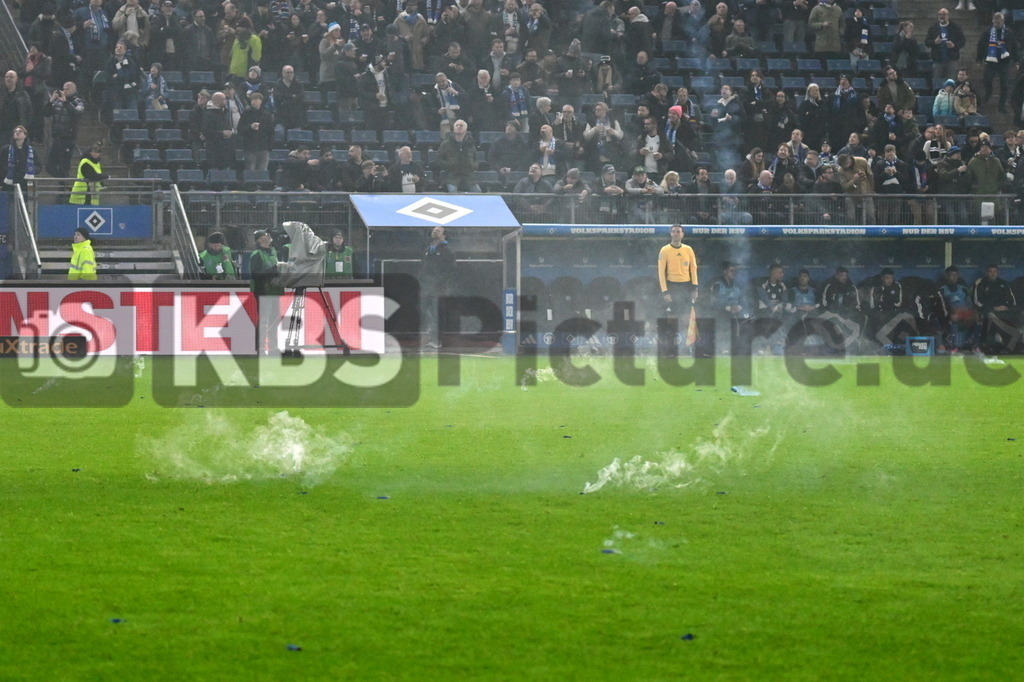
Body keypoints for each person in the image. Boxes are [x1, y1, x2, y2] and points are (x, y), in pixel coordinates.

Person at [657, 224, 698, 349]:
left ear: (682, 234)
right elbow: (661, 272)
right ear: (670, 234)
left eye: (678, 231)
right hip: (672, 287)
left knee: (686, 318)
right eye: (673, 231)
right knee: (672, 318)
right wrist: (665, 292)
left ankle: (686, 346)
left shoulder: (688, 249)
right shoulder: (664, 250)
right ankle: (671, 346)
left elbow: (693, 269)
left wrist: (695, 288)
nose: (676, 233)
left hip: (686, 287)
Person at [249, 229, 284, 355]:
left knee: (274, 320)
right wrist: (274, 269)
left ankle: (273, 347)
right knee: (264, 321)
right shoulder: (256, 254)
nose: (268, 235)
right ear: (259, 240)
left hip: (275, 290)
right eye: (264, 234)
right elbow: (256, 275)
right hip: (263, 291)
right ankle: (261, 348)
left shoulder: (273, 252)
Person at [976, 12, 1018, 114]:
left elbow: (1014, 47)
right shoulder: (987, 32)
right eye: (995, 22)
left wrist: (1016, 61)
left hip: (1004, 62)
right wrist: (979, 59)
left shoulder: (1008, 32)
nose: (996, 24)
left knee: (1005, 85)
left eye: (998, 22)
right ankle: (987, 95)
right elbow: (980, 46)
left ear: (1002, 21)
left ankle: (1001, 105)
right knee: (987, 80)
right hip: (991, 61)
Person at [421, 225, 455, 349]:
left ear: (444, 235)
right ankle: (431, 334)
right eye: (434, 230)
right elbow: (423, 266)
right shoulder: (427, 249)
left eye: (439, 230)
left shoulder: (447, 250)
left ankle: (437, 339)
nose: (435, 231)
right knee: (423, 309)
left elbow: (450, 270)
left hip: (438, 287)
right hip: (426, 285)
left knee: (437, 312)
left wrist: (440, 282)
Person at [973, 264, 1021, 352]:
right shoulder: (980, 283)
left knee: (1018, 317)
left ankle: (1012, 345)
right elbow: (977, 302)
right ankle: (991, 346)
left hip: (1004, 313)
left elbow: (1012, 301)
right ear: (986, 273)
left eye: (995, 271)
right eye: (990, 271)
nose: (993, 274)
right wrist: (994, 308)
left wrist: (1005, 307)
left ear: (998, 272)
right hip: (988, 312)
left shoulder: (1003, 283)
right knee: (991, 316)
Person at [867, 268, 917, 347]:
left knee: (909, 317)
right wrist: (886, 304)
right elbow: (873, 305)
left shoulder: (897, 285)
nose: (890, 280)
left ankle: (901, 343)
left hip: (894, 313)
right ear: (882, 278)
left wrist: (884, 302)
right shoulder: (876, 287)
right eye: (887, 278)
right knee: (879, 321)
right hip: (881, 314)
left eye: (891, 277)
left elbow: (898, 303)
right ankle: (884, 345)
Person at [43, 81, 84, 178]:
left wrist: (65, 102)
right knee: (49, 166)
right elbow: (46, 113)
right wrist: (51, 101)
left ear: (73, 90)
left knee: (64, 166)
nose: (64, 91)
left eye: (67, 89)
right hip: (56, 137)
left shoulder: (78, 101)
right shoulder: (58, 102)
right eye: (64, 89)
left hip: (68, 138)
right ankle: (63, 182)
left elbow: (77, 113)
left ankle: (64, 185)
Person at [436, 119, 481, 192]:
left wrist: (473, 166)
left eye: (461, 125)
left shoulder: (470, 144)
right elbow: (438, 159)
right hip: (452, 176)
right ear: (454, 129)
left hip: (468, 176)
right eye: (457, 125)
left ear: (465, 130)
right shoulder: (446, 144)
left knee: (478, 192)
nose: (459, 127)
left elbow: (476, 159)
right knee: (453, 192)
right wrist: (449, 165)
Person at [938, 265, 977, 350]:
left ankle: (974, 345)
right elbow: (940, 306)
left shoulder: (963, 289)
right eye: (951, 275)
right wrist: (951, 311)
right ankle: (953, 344)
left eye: (955, 275)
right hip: (949, 314)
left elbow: (970, 305)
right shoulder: (942, 290)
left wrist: (964, 310)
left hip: (963, 313)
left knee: (975, 316)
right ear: (947, 276)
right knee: (953, 317)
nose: (953, 277)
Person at [926, 8, 965, 82]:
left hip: (951, 60)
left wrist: (954, 45)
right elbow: (927, 42)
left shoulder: (955, 27)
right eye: (940, 15)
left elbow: (962, 41)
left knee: (951, 82)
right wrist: (934, 42)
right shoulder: (933, 28)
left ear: (948, 16)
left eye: (944, 15)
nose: (942, 16)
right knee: (936, 82)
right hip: (937, 60)